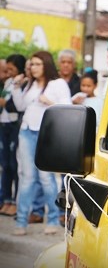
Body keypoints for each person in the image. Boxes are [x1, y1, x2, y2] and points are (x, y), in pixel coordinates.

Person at [10, 51, 71, 236]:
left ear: (45, 64)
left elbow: (68, 108)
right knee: (27, 178)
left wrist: (50, 103)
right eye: (31, 64)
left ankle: (52, 219)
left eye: (37, 64)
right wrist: (15, 87)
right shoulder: (31, 84)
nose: (32, 67)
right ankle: (21, 222)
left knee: (47, 178)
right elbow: (20, 106)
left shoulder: (57, 83)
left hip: (46, 134)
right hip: (27, 131)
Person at [0, 54, 26, 217]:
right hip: (3, 125)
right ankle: (6, 199)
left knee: (14, 164)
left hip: (14, 125)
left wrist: (5, 103)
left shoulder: (22, 82)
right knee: (5, 164)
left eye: (11, 68)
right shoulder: (8, 82)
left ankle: (15, 201)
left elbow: (19, 105)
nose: (8, 71)